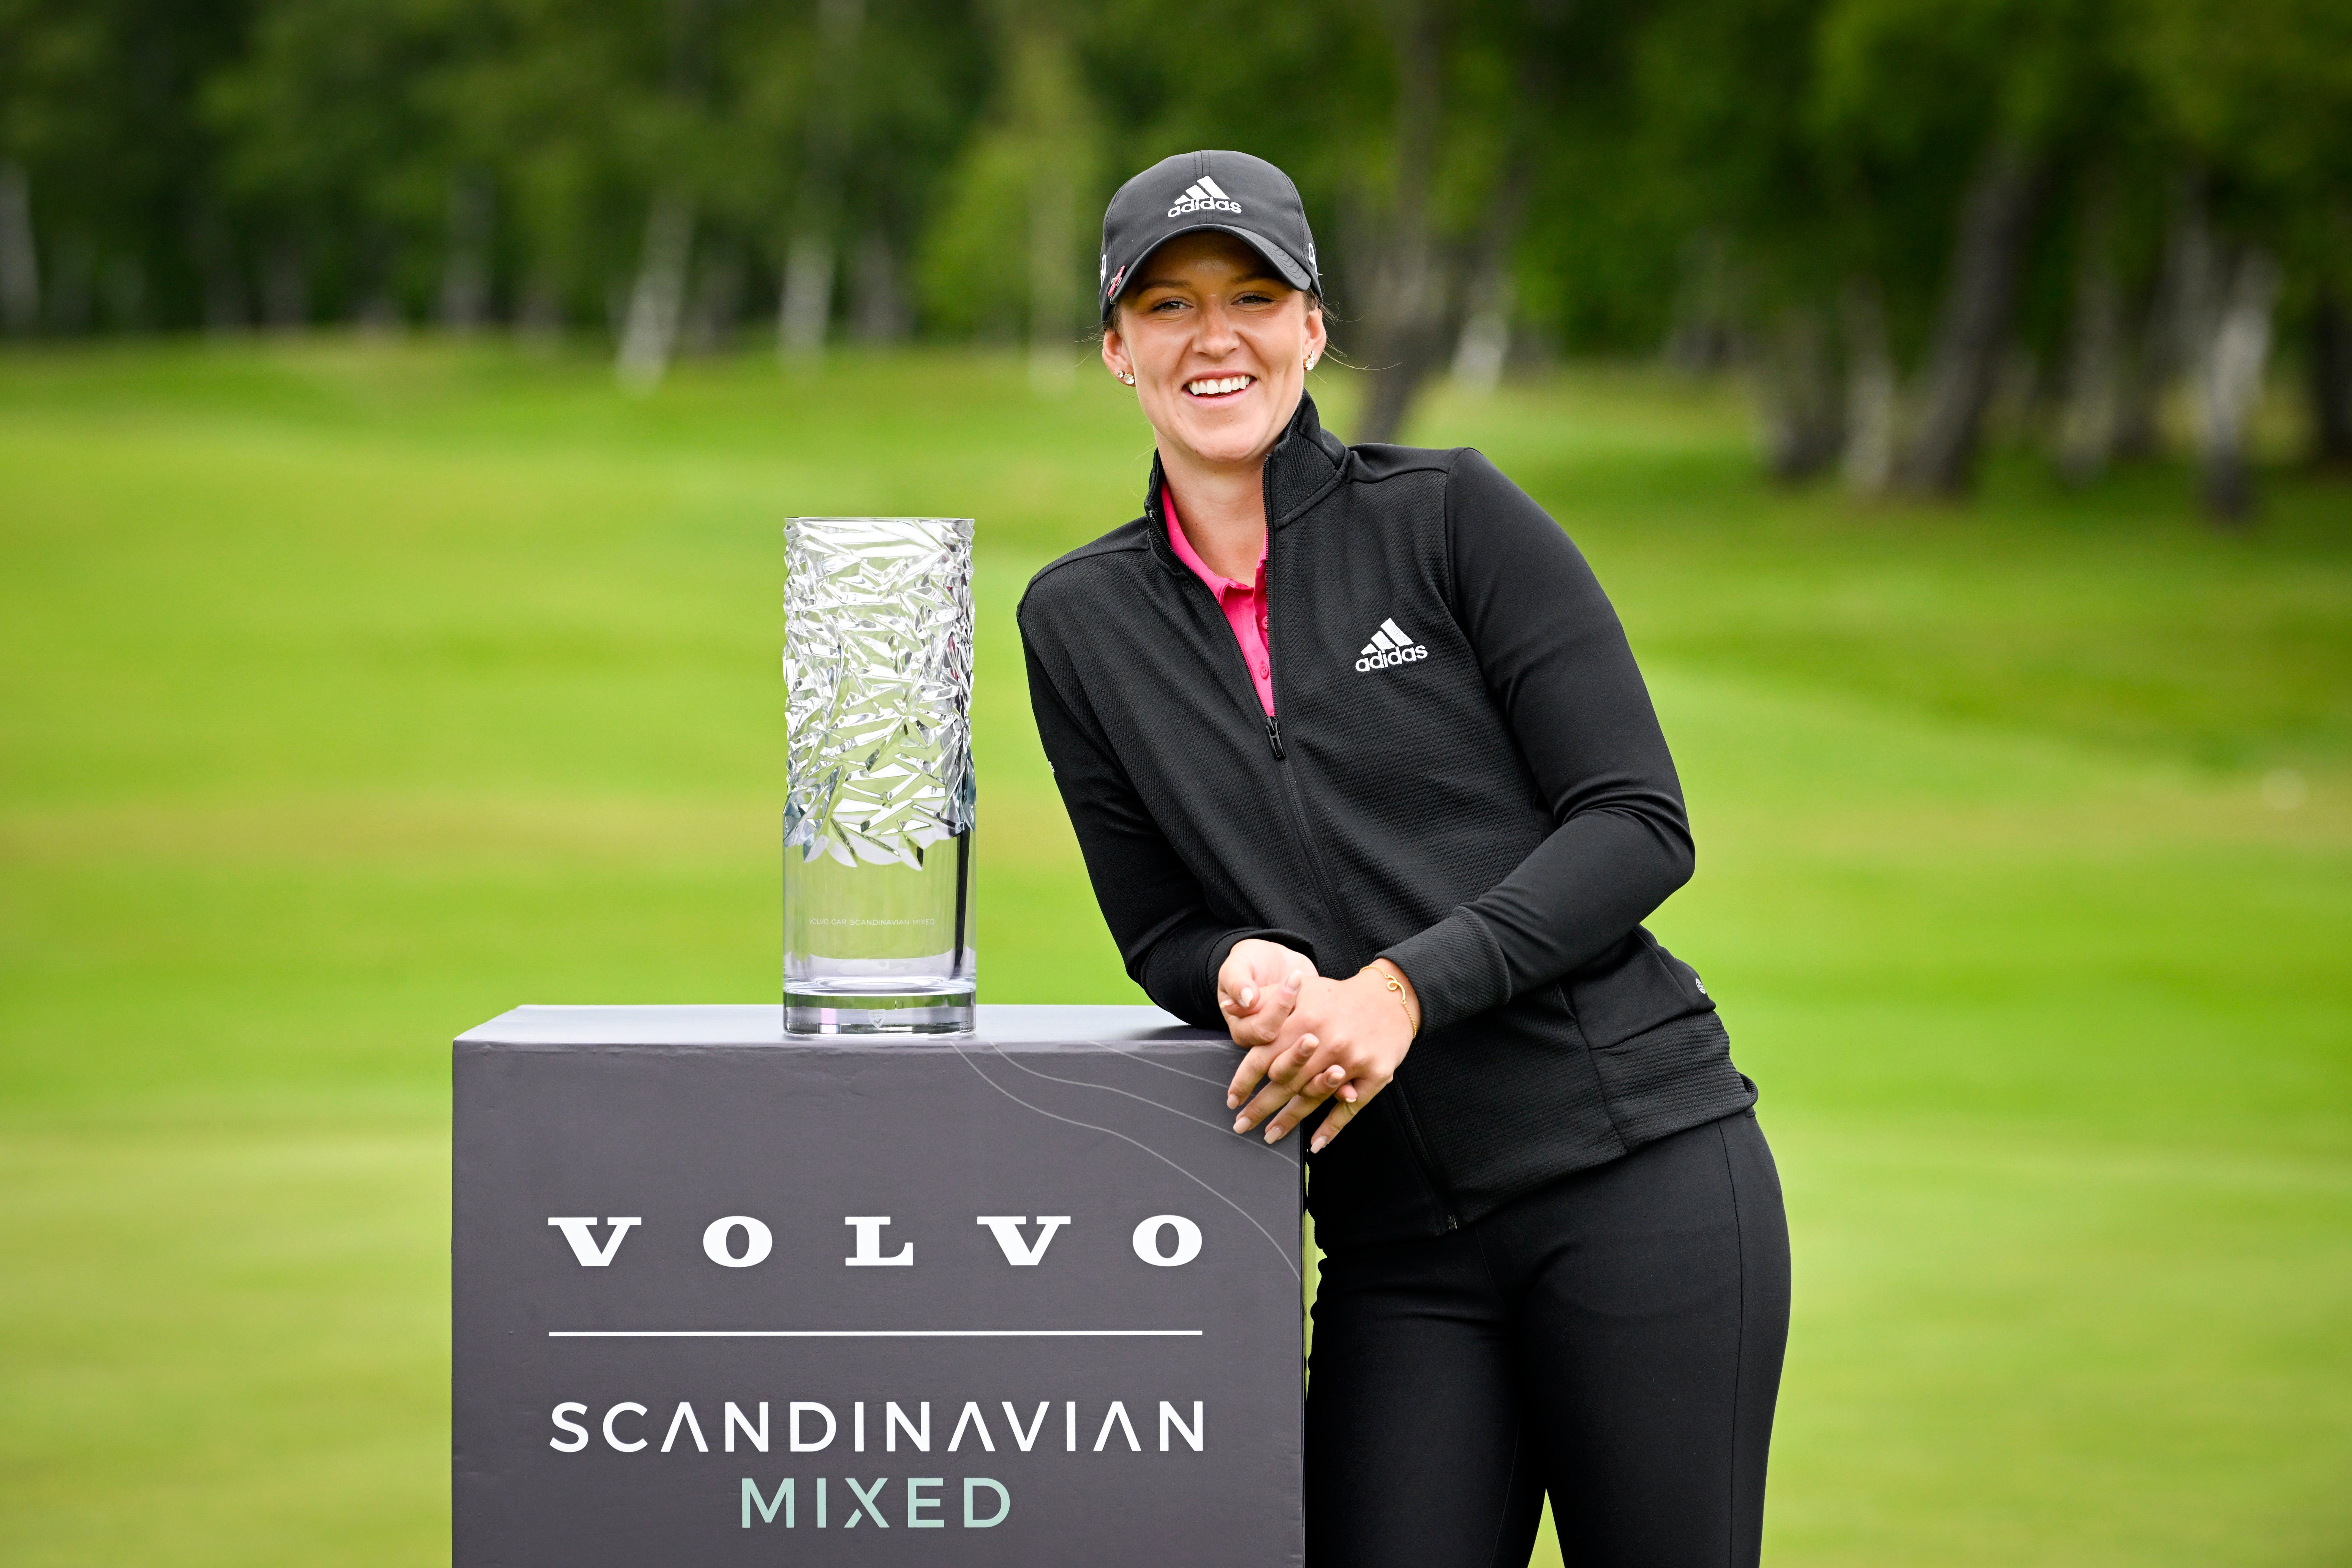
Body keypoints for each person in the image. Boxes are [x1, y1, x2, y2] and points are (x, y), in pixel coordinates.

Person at [1017, 149, 1791, 1568]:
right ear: (1116, 347)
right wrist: (1238, 964)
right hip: (1394, 1247)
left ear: (1314, 326)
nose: (1216, 337)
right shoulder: (1077, 622)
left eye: (1254, 294)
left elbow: (1635, 821)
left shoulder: (1448, 515)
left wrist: (1398, 990)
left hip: (1637, 1178)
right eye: (1171, 305)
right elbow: (1159, 931)